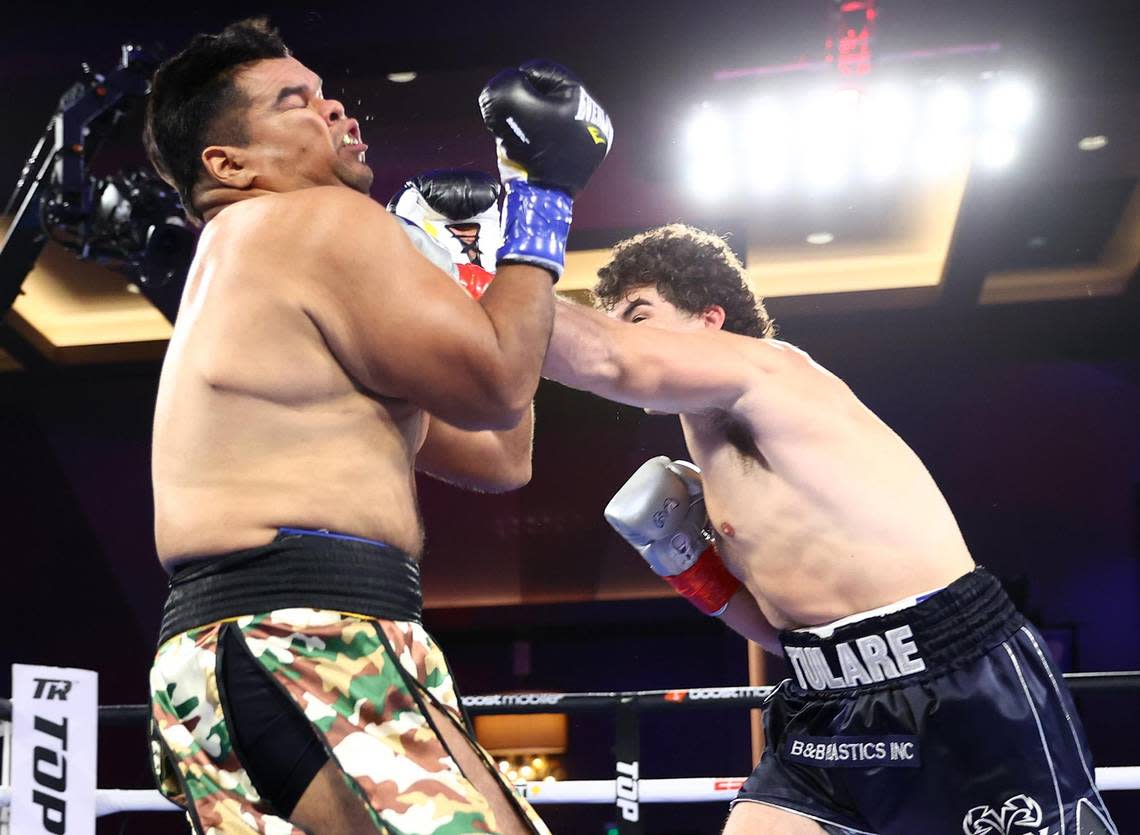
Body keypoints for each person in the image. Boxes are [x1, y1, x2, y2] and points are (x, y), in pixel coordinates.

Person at [143, 18, 610, 835]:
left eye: (329, 95)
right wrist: (542, 198)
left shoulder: (249, 269)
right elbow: (500, 382)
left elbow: (502, 453)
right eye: (298, 103)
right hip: (302, 635)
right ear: (229, 163)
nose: (338, 113)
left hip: (243, 647)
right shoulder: (315, 220)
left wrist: (467, 276)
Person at [541, 223, 1117, 835]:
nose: (621, 332)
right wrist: (688, 565)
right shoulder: (704, 447)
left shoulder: (767, 372)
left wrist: (471, 283)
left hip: (954, 677)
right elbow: (782, 633)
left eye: (638, 315)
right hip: (825, 694)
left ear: (710, 320)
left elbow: (607, 357)